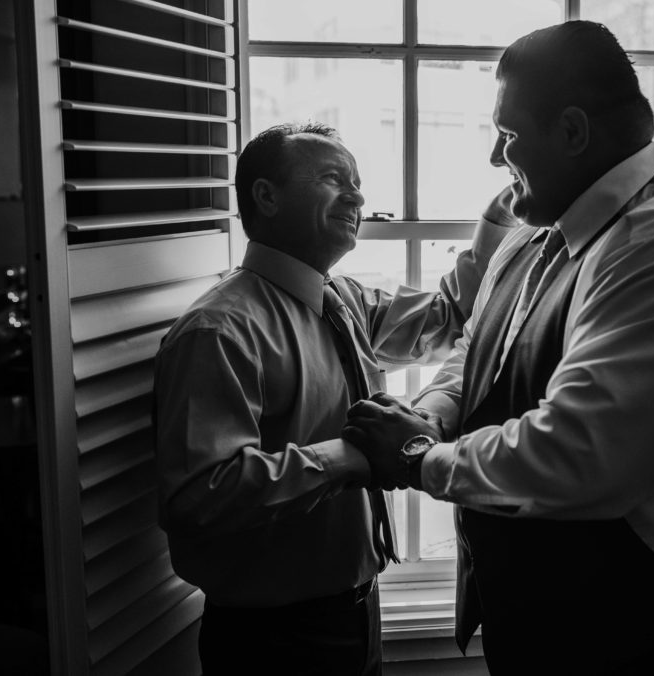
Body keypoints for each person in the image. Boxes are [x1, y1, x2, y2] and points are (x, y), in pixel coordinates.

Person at [342, 21, 654, 675]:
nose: (497, 158)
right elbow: (479, 348)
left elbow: (579, 453)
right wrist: (434, 411)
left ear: (574, 133)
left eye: (509, 135)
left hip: (651, 635)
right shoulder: (535, 232)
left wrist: (417, 458)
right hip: (542, 618)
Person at [153, 121, 514, 675]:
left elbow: (447, 318)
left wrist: (497, 220)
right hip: (271, 640)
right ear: (267, 196)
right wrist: (352, 456)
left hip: (356, 612)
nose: (357, 196)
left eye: (358, 182)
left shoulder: (343, 300)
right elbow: (201, 497)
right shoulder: (219, 331)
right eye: (332, 179)